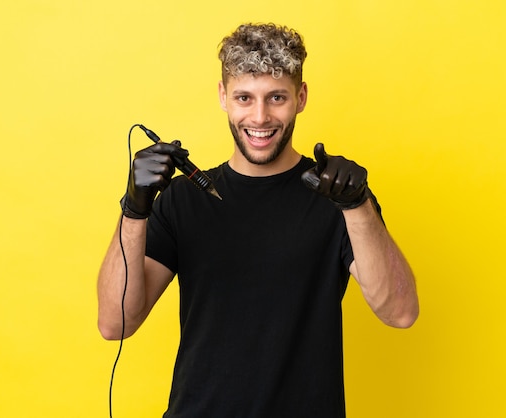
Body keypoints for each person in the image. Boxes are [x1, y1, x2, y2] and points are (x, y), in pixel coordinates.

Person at [98, 22, 419, 417]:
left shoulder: (337, 199)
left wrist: (357, 206)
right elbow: (116, 323)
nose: (260, 117)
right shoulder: (182, 200)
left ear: (300, 97)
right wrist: (134, 208)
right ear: (223, 96)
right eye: (245, 98)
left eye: (277, 97)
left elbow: (401, 312)